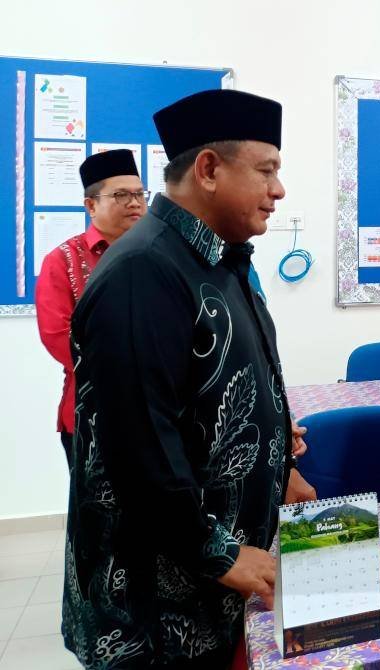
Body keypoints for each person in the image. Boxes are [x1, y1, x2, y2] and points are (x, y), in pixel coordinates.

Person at [63, 89, 313, 669]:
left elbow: (220, 388)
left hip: (210, 582)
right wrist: (220, 554)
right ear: (208, 168)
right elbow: (138, 444)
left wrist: (280, 466)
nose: (278, 191)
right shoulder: (144, 272)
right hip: (157, 602)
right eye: (266, 171)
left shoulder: (218, 257)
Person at [35, 149, 146, 464]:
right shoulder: (62, 260)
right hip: (93, 412)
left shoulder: (159, 255)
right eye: (122, 195)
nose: (135, 203)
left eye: (140, 194)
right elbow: (59, 337)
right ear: (91, 205)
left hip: (162, 411)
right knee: (98, 510)